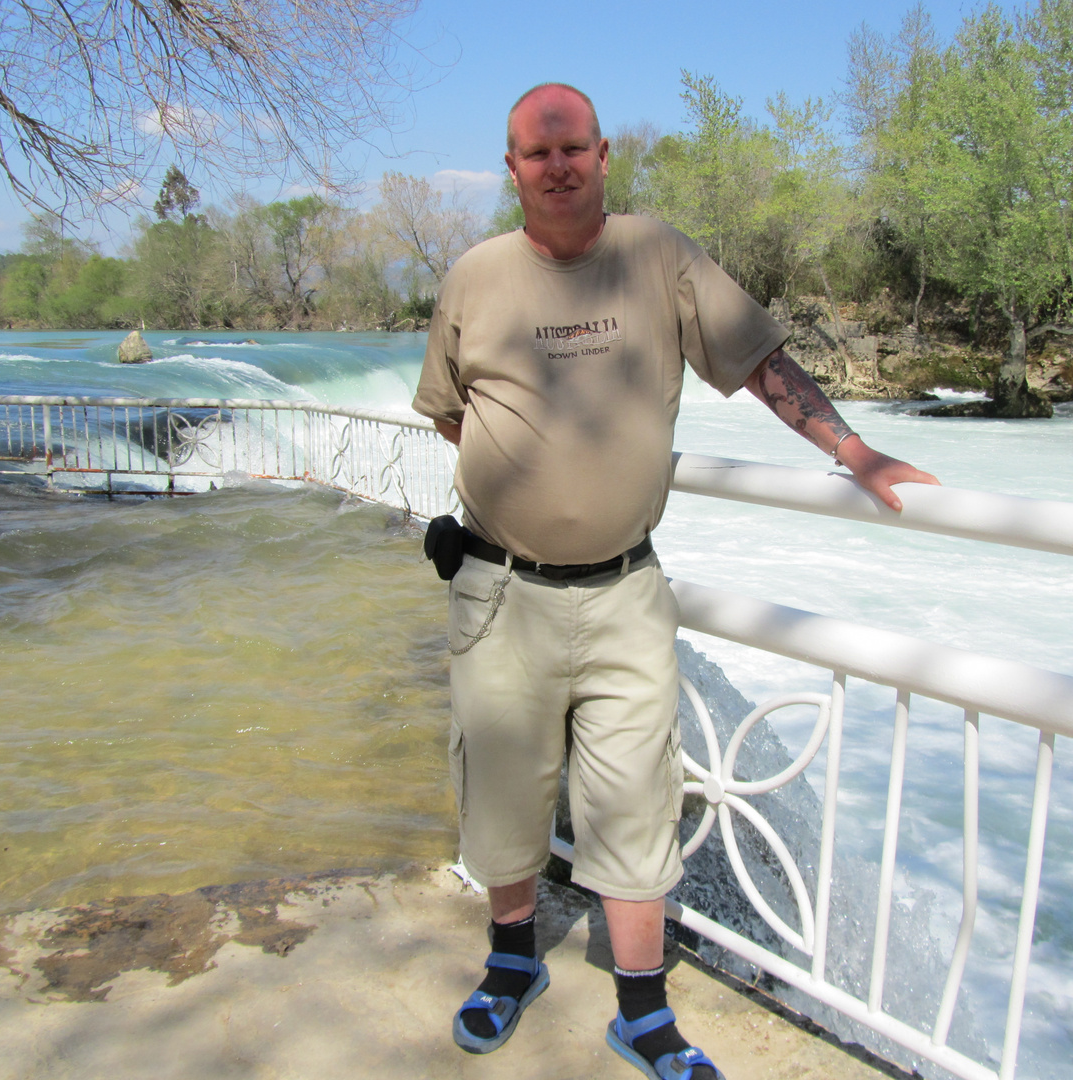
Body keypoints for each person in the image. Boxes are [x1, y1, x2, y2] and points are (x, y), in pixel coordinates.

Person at [412, 82, 938, 1080]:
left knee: (635, 799)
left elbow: (759, 359)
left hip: (624, 593)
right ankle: (510, 964)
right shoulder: (474, 276)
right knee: (505, 794)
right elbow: (451, 411)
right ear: (512, 168)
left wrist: (852, 450)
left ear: (604, 156)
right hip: (499, 592)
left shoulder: (659, 256)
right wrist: (521, 482)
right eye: (536, 153)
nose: (557, 165)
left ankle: (643, 1016)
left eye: (574, 148)